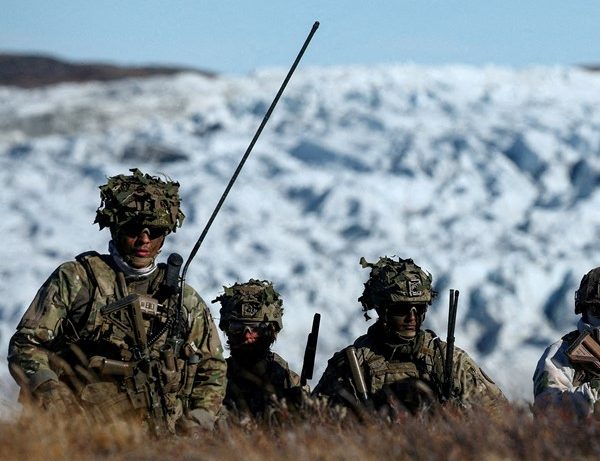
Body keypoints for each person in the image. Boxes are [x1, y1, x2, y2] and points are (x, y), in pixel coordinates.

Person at [7, 168, 226, 433]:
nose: (144, 240)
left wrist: (197, 421)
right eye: (134, 229)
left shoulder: (183, 300)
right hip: (74, 431)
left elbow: (212, 369)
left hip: (162, 437)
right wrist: (53, 395)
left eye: (155, 231)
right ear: (115, 227)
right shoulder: (78, 279)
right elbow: (26, 344)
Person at [313, 256, 507, 417]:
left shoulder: (448, 360)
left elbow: (501, 415)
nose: (412, 317)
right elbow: (319, 422)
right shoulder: (353, 364)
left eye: (419, 308)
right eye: (401, 309)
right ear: (382, 310)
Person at [533, 265, 600, 417]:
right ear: (583, 309)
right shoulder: (560, 354)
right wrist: (598, 389)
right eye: (597, 309)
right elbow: (546, 411)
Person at [214, 279, 307, 425]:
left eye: (257, 328)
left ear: (272, 331)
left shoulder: (288, 381)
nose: (247, 336)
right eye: (237, 328)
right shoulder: (212, 380)